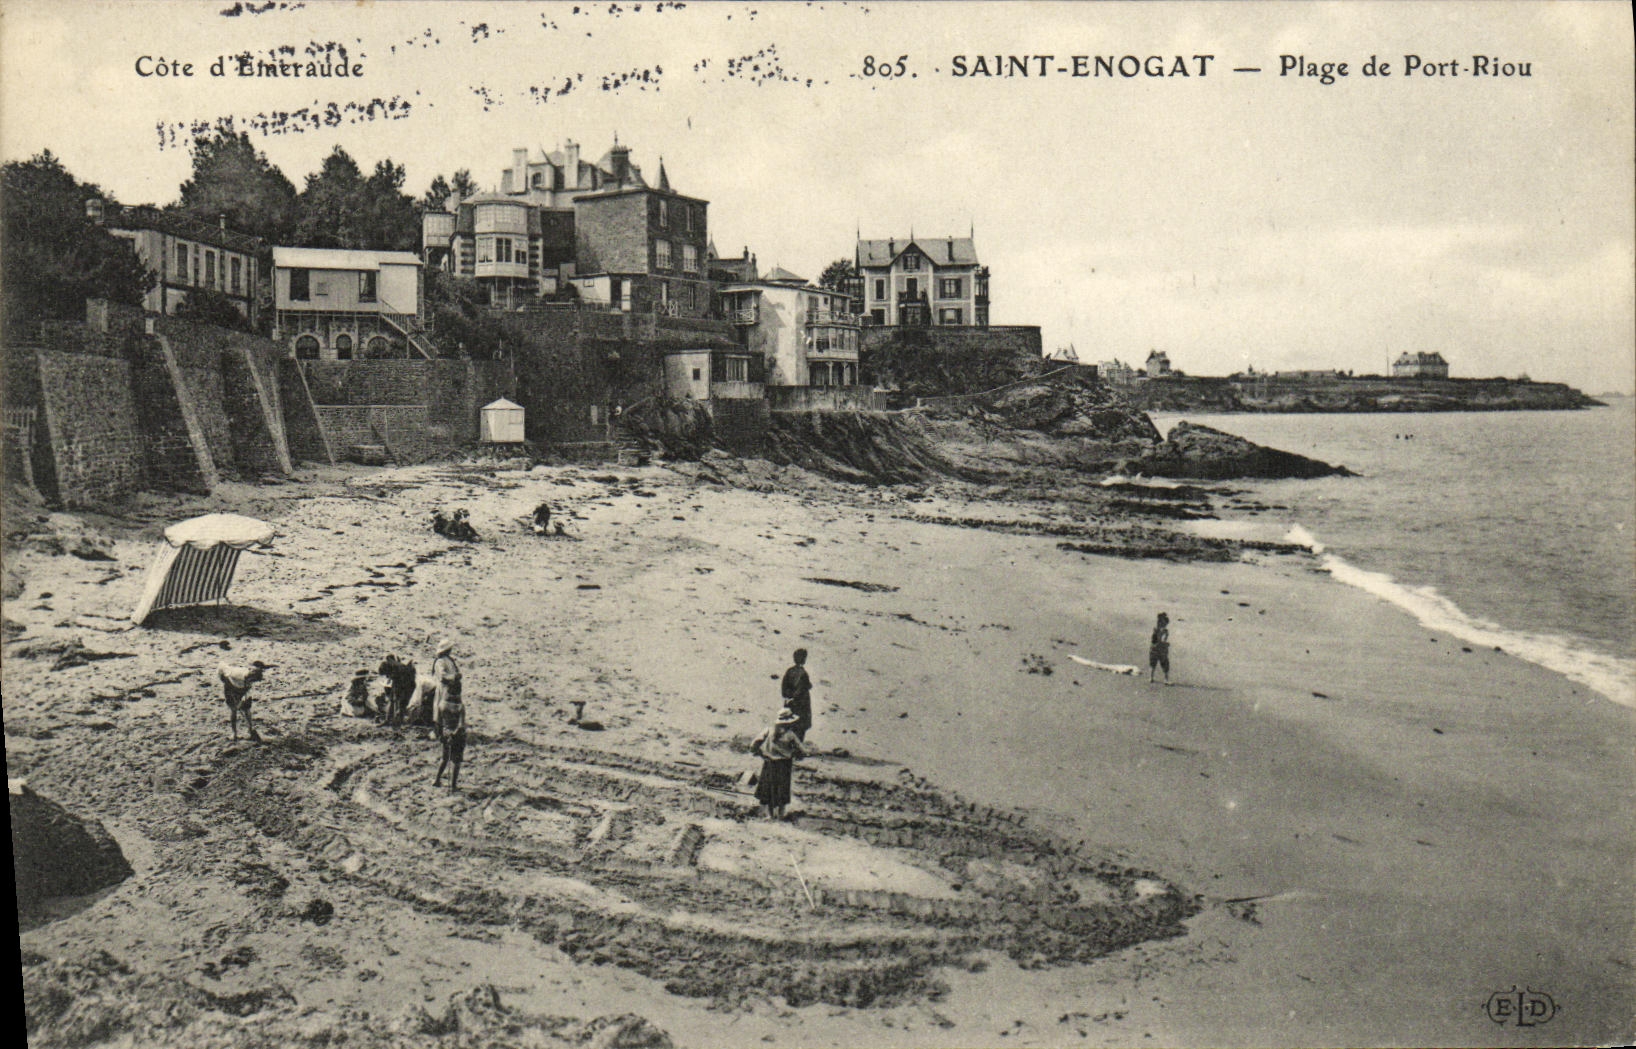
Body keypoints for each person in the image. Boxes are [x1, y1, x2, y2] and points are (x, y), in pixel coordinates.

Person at [751, 708, 808, 820]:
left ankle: (770, 815)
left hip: (769, 763)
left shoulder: (768, 730)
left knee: (769, 788)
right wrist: (796, 754)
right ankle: (781, 815)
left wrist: (760, 754)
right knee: (782, 790)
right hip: (784, 764)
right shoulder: (790, 734)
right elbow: (802, 750)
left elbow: (754, 744)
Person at [219, 660, 269, 742]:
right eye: (252, 680)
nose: (252, 682)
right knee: (234, 710)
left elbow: (247, 689)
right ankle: (234, 734)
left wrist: (242, 700)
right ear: (249, 676)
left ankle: (250, 730)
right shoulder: (236, 674)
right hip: (230, 687)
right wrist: (234, 699)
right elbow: (224, 674)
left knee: (247, 708)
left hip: (242, 688)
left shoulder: (251, 678)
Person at [434, 687, 467, 791]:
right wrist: (454, 734)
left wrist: (440, 735)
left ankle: (437, 780)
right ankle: (453, 786)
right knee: (456, 761)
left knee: (444, 758)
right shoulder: (460, 707)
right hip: (457, 736)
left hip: (445, 733)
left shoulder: (441, 705)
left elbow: (438, 722)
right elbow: (461, 725)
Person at [780, 648, 813, 741]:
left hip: (790, 702)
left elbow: (784, 687)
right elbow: (804, 686)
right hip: (801, 703)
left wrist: (788, 697)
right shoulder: (803, 673)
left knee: (790, 724)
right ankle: (797, 748)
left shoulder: (790, 671)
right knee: (801, 726)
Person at [432, 638, 463, 737]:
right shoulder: (440, 662)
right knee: (440, 709)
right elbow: (442, 676)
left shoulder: (449, 660)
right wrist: (453, 677)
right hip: (444, 688)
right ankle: (438, 731)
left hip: (452, 689)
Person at [1148, 612, 1171, 685]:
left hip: (1154, 649)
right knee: (1165, 664)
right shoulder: (1164, 631)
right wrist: (1166, 644)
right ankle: (1165, 679)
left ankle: (1151, 677)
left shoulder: (1155, 630)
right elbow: (1162, 640)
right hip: (1161, 650)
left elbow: (1154, 640)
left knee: (1153, 664)